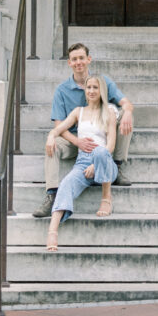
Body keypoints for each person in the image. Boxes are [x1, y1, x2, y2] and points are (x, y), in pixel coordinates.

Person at [32, 41, 134, 218]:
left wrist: (128, 112)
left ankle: (115, 165)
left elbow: (126, 103)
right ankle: (52, 194)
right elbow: (58, 127)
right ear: (69, 63)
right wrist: (77, 141)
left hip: (101, 138)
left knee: (125, 116)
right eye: (74, 59)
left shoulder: (101, 83)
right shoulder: (62, 91)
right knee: (53, 143)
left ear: (89, 59)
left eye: (81, 58)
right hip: (73, 139)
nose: (78, 62)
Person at [45, 75, 118, 250]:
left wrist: (96, 165)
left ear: (101, 91)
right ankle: (52, 232)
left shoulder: (109, 111)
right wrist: (50, 136)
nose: (91, 91)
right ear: (85, 91)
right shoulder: (79, 111)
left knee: (100, 151)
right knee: (65, 184)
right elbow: (59, 129)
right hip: (82, 163)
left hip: (104, 161)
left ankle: (106, 198)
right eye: (89, 87)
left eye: (95, 88)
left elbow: (111, 145)